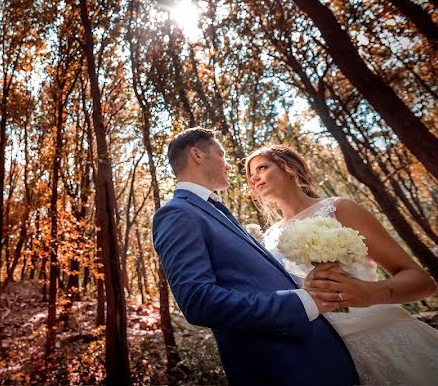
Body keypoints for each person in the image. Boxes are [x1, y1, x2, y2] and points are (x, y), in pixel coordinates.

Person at [245, 144, 438, 385]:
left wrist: (372, 292)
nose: (254, 177)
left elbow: (421, 281)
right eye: (250, 175)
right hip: (331, 357)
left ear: (290, 168)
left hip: (389, 341)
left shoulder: (338, 208)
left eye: (261, 167)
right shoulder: (269, 237)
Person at [152, 128, 359, 386]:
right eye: (221, 154)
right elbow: (199, 301)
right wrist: (300, 303)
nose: (228, 165)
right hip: (280, 368)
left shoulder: (213, 210)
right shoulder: (177, 214)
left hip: (317, 357)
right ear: (196, 154)